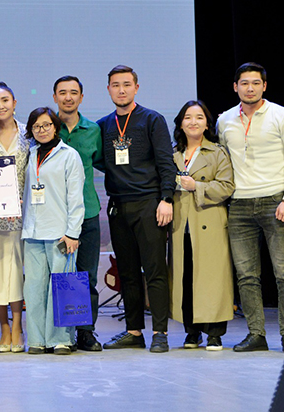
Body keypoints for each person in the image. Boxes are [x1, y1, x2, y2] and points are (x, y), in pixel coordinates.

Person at [217, 62, 284, 354]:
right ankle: (256, 334)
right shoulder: (225, 120)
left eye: (256, 83)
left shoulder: (282, 115)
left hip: (275, 201)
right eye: (244, 83)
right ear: (235, 87)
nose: (250, 88)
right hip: (239, 205)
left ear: (264, 86)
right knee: (246, 275)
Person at [97, 65, 176, 353]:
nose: (121, 90)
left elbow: (166, 161)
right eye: (116, 85)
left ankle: (160, 332)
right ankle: (134, 331)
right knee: (127, 273)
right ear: (108, 89)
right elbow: (100, 161)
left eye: (127, 84)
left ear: (136, 88)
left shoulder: (152, 119)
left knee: (154, 271)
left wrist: (166, 198)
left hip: (149, 205)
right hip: (118, 206)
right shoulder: (103, 125)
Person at [169, 100, 235, 351]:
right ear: (180, 123)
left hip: (209, 221)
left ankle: (215, 333)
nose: (193, 122)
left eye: (199, 117)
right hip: (181, 224)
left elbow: (227, 186)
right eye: (188, 117)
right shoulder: (173, 154)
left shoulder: (217, 152)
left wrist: (197, 186)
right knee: (185, 277)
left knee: (213, 278)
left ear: (207, 124)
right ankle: (192, 331)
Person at [21, 107, 85, 355]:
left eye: (46, 125)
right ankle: (37, 339)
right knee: (34, 290)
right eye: (36, 126)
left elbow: (76, 198)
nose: (42, 130)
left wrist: (73, 233)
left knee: (62, 288)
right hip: (33, 232)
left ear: (55, 127)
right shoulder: (30, 154)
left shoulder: (69, 155)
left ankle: (61, 339)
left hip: (60, 233)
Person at [52, 75, 104, 352]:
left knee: (86, 276)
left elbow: (103, 163)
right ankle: (58, 334)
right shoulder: (48, 127)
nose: (68, 97)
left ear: (81, 97)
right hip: (54, 215)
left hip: (88, 212)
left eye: (73, 92)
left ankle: (85, 332)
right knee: (59, 276)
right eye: (63, 92)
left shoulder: (94, 130)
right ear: (55, 97)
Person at [0, 82, 30, 353]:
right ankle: (3, 327)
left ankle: (18, 326)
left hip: (25, 217)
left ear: (14, 103)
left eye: (5, 100)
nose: (0, 106)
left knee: (19, 274)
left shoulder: (28, 134)